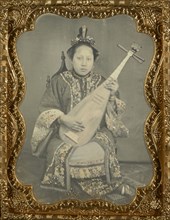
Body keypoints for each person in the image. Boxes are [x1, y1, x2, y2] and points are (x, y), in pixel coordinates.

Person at [31, 25, 133, 201]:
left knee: (98, 149)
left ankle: (84, 186)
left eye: (88, 58)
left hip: (96, 132)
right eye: (79, 58)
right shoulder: (59, 81)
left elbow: (113, 115)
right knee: (61, 152)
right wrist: (63, 119)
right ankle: (83, 187)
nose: (84, 63)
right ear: (72, 59)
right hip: (63, 132)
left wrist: (112, 96)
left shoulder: (102, 82)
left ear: (94, 60)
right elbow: (45, 109)